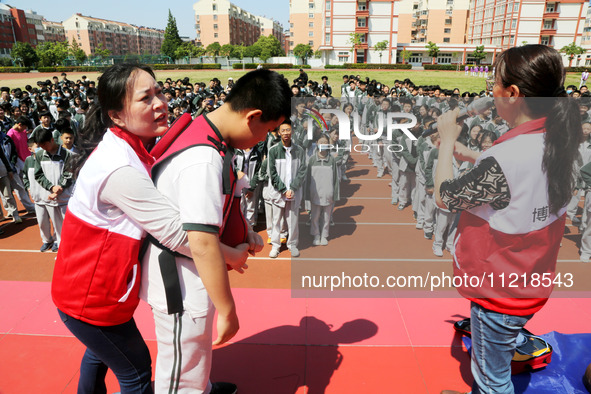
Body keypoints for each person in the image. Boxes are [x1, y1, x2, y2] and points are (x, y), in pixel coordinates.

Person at [436, 45, 580, 394]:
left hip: (498, 292)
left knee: (492, 381)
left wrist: (445, 142)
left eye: (495, 84)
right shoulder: (557, 137)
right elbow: (520, 178)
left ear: (513, 94)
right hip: (530, 280)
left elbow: (444, 195)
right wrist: (477, 157)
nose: (491, 92)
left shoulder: (506, 158)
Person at [139, 69, 289, 393]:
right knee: (181, 369)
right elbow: (202, 243)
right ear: (253, 117)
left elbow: (220, 202)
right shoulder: (203, 158)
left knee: (195, 355)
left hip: (192, 272)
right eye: (268, 131)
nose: (264, 140)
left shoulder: (209, 135)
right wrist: (228, 309)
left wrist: (245, 229)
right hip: (179, 279)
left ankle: (202, 387)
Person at [51, 64, 192, 394]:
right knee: (137, 372)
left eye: (159, 92)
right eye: (146, 98)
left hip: (91, 291)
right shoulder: (119, 168)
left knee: (99, 354)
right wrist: (230, 254)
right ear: (116, 116)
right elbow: (177, 234)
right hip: (91, 297)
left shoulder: (128, 147)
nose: (160, 103)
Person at [268, 119, 307, 258]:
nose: (286, 133)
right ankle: (276, 245)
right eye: (283, 130)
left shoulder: (300, 150)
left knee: (293, 220)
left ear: (292, 132)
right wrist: (284, 189)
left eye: (288, 130)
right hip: (279, 192)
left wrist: (293, 188)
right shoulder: (273, 151)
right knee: (276, 220)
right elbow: (272, 173)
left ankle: (293, 245)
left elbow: (302, 171)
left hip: (294, 191)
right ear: (279, 133)